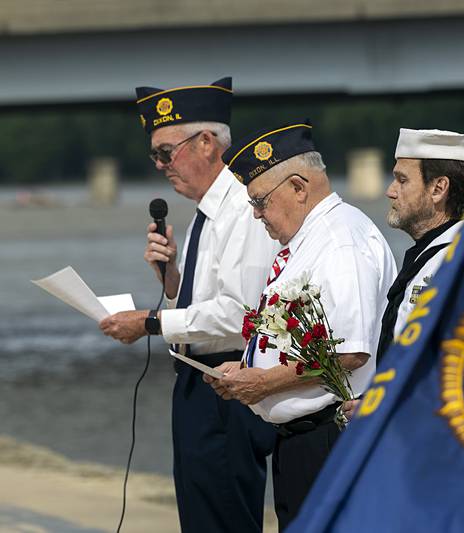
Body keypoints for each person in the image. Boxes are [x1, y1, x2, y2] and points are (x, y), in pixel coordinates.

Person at [98, 78, 277, 533]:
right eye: (154, 156)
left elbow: (244, 314)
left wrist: (151, 321)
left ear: (205, 142)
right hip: (199, 382)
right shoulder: (206, 210)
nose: (160, 165)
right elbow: (207, 302)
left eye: (165, 152)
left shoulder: (244, 208)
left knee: (223, 519)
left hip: (229, 384)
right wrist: (172, 278)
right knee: (201, 518)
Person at [204, 120, 396, 531]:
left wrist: (264, 384)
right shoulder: (308, 240)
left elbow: (349, 351)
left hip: (332, 436)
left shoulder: (340, 241)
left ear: (298, 187)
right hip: (302, 440)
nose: (256, 216)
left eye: (260, 202)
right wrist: (249, 369)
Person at [341, 128, 464, 421]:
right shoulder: (433, 255)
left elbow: (446, 368)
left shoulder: (455, 263)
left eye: (402, 180)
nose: (390, 191)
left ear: (438, 189)